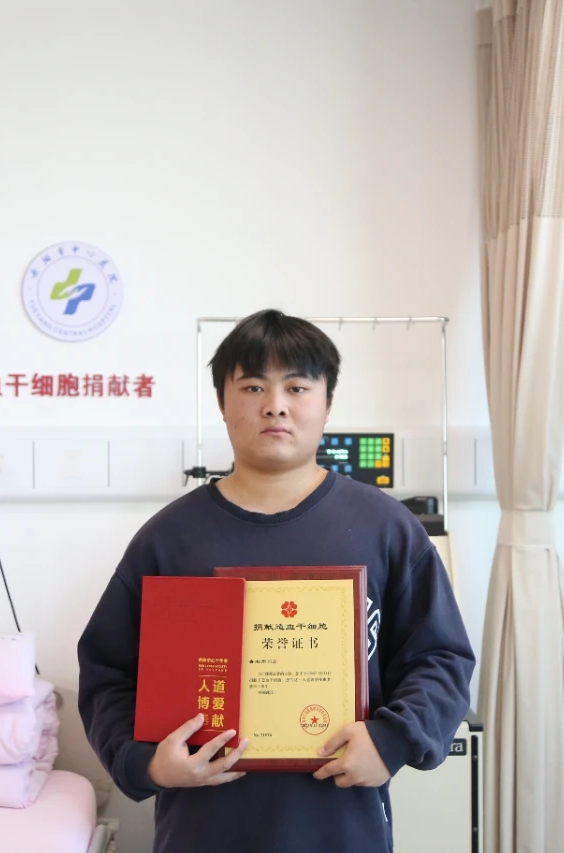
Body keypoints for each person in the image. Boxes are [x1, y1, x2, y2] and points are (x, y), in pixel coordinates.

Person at [77, 309, 474, 853]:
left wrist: (393, 739)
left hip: (340, 828)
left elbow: (442, 657)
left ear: (327, 402)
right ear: (222, 403)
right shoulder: (170, 538)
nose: (275, 404)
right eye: (253, 387)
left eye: (297, 387)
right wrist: (145, 761)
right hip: (202, 830)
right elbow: (108, 670)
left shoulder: (386, 528)